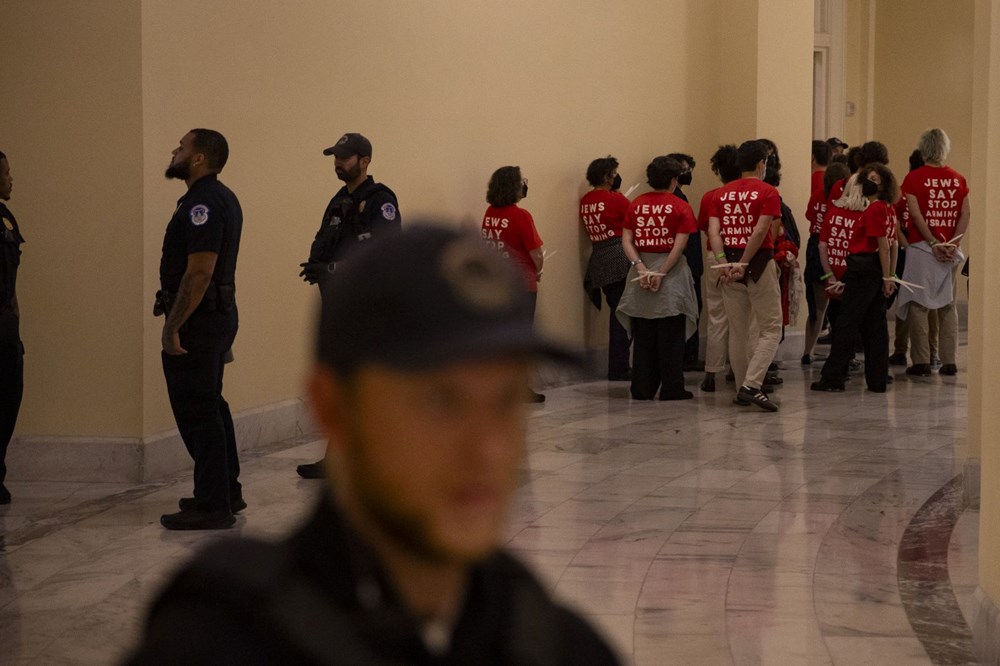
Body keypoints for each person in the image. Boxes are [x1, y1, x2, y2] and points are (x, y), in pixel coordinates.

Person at [126, 226, 620, 665]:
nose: (488, 451)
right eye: (440, 402)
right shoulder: (219, 642)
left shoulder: (558, 645)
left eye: (506, 401)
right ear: (332, 408)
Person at [296, 133, 401, 480]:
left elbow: (384, 256)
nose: (338, 163)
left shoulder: (380, 201)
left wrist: (333, 269)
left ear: (365, 160)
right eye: (335, 158)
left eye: (345, 157)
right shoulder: (339, 200)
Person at [156, 129, 244, 530]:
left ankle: (214, 505)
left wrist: (173, 327)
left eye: (182, 146)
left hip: (200, 321)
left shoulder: (203, 202)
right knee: (211, 404)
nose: (175, 151)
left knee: (197, 409)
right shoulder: (218, 196)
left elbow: (201, 268)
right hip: (215, 316)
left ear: (197, 159)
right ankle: (225, 491)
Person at [707, 140, 782, 412]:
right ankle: (752, 384)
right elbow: (762, 230)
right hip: (758, 263)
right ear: (762, 164)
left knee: (738, 332)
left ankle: (742, 389)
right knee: (772, 327)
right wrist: (746, 261)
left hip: (727, 266)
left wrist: (723, 262)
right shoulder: (768, 191)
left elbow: (714, 232)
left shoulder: (720, 194)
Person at [811, 163, 899, 393]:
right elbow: (891, 246)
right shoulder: (887, 209)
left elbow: (884, 247)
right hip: (872, 270)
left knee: (847, 324)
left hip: (864, 269)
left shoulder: (876, 209)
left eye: (875, 179)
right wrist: (888, 275)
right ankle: (877, 379)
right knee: (875, 326)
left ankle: (833, 377)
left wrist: (888, 277)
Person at [616, 156, 698, 401]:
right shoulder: (680, 205)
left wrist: (641, 268)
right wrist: (661, 272)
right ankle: (672, 388)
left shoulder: (636, 204)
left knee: (642, 334)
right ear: (674, 180)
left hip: (640, 270)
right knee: (671, 334)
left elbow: (626, 241)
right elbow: (679, 246)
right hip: (670, 273)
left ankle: (642, 387)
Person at [897, 128, 969, 377]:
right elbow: (965, 213)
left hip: (922, 249)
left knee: (919, 305)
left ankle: (921, 361)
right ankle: (949, 361)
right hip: (951, 250)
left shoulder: (914, 179)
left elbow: (915, 215)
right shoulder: (958, 179)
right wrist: (953, 243)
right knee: (948, 304)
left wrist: (933, 243)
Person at [482, 166, 546, 403]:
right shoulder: (521, 216)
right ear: (513, 186)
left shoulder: (490, 213)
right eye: (521, 181)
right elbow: (536, 253)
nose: (524, 185)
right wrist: (538, 270)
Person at [580, 156, 632, 380]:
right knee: (622, 315)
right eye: (613, 174)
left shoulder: (586, 200)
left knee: (615, 310)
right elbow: (635, 221)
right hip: (619, 255)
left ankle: (617, 365)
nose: (616, 177)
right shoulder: (616, 200)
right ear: (605, 176)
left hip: (599, 257)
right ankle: (619, 367)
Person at [697, 145, 741, 393]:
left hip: (715, 255)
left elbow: (704, 225)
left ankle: (711, 373)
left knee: (716, 315)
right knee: (741, 318)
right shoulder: (749, 194)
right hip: (741, 255)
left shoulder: (710, 196)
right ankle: (737, 369)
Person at [802, 161, 850, 364]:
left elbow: (809, 216)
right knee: (839, 305)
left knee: (817, 306)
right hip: (836, 249)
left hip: (814, 249)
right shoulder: (845, 199)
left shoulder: (817, 195)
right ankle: (840, 353)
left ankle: (808, 351)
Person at [0, 151, 24, 505]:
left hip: (5, 325)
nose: (11, 179)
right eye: (6, 172)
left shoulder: (6, 218)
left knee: (8, 396)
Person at [666, 152, 704, 371]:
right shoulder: (677, 200)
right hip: (685, 264)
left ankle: (688, 354)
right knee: (689, 308)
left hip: (689, 264)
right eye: (684, 169)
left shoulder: (680, 197)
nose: (688, 173)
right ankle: (687, 356)